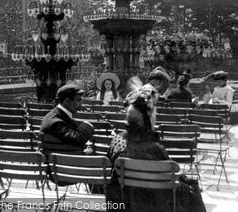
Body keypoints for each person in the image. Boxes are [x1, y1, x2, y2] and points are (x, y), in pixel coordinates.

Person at [105, 81, 206, 212]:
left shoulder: (116, 141)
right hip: (152, 204)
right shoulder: (155, 149)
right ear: (148, 120)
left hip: (124, 203)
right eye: (154, 114)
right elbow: (172, 180)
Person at [40, 84, 94, 155]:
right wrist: (88, 125)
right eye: (78, 100)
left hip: (57, 161)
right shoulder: (56, 123)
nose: (81, 104)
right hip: (64, 162)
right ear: (67, 101)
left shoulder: (53, 115)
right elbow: (78, 139)